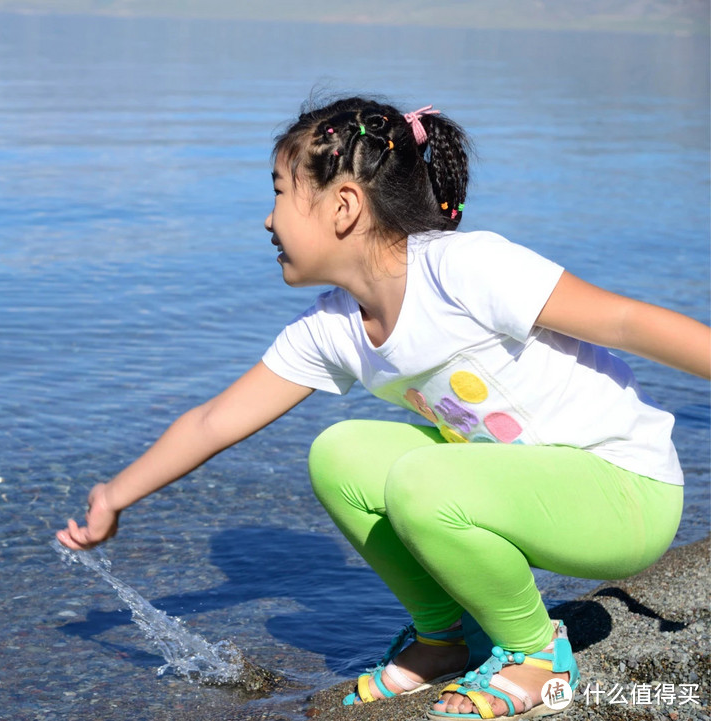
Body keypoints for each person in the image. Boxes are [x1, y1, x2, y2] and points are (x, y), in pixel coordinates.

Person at [57, 96, 711, 720]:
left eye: (280, 193)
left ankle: (535, 653)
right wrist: (115, 495)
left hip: (624, 493)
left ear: (344, 206)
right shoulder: (334, 326)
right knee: (340, 453)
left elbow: (624, 321)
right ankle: (442, 639)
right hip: (525, 491)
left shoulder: (468, 269)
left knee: (423, 480)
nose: (266, 218)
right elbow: (213, 420)